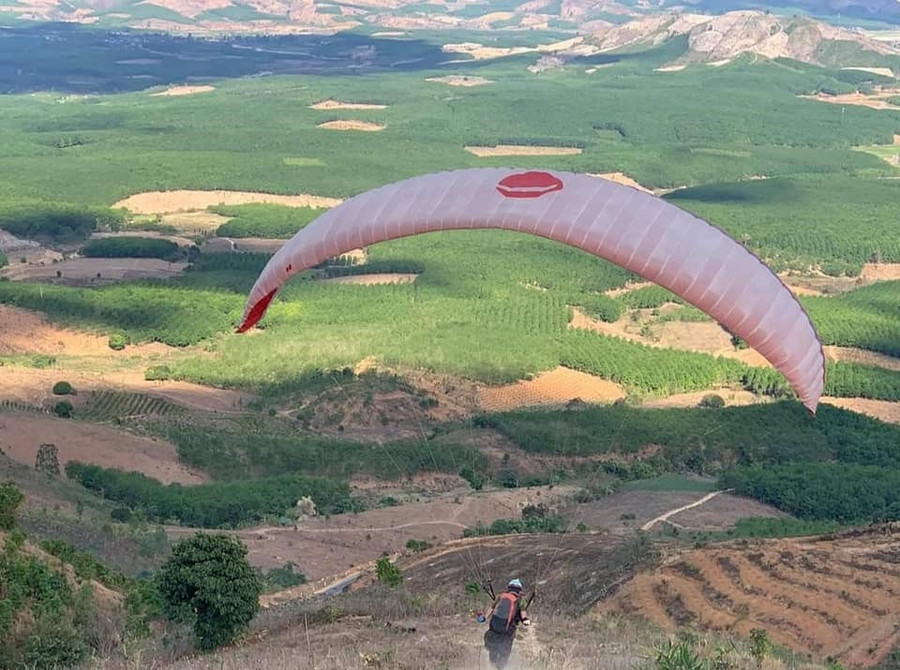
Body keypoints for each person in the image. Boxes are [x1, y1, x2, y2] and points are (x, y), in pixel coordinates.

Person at [483, 579, 530, 669]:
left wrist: (484, 617)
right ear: (519, 590)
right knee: (504, 653)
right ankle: (500, 667)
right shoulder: (520, 600)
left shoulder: (501, 596)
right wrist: (525, 620)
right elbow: (523, 613)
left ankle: (491, 665)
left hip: (494, 629)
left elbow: (491, 608)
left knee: (493, 650)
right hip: (508, 631)